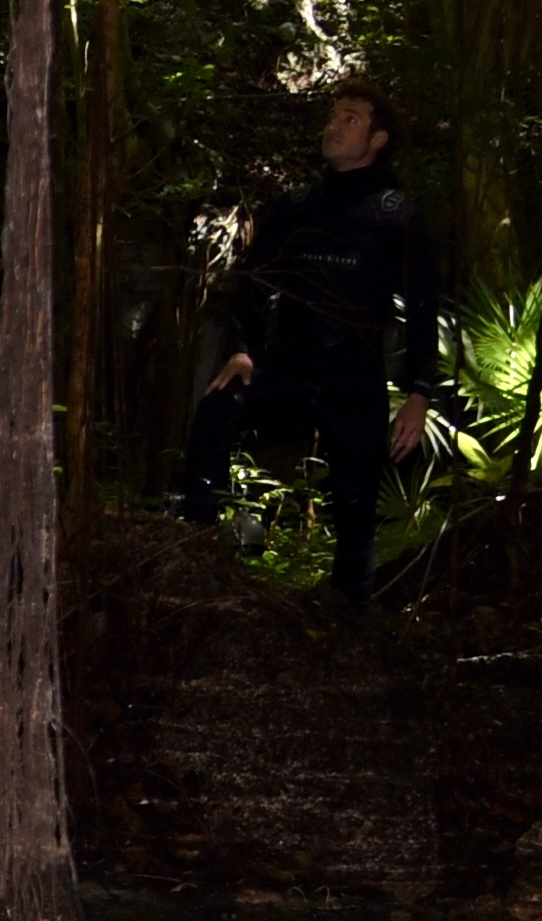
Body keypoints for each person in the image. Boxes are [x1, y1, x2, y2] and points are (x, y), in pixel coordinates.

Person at [177, 86, 441, 603]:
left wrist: (420, 393)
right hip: (288, 367)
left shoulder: (398, 216)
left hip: (354, 375)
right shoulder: (295, 207)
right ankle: (196, 547)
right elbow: (251, 285)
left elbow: (423, 309)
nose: (333, 127)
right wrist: (242, 349)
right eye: (332, 117)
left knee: (355, 503)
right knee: (217, 408)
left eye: (350, 119)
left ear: (378, 139)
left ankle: (350, 620)